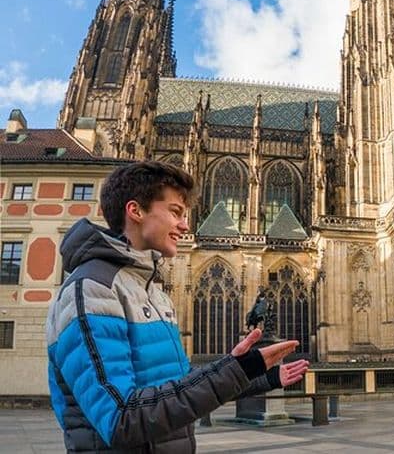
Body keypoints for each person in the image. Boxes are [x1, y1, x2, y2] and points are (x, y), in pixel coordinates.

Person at [45, 161, 309, 452]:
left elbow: (178, 386)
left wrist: (250, 374)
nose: (185, 224)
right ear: (136, 211)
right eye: (175, 212)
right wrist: (232, 372)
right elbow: (122, 419)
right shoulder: (92, 290)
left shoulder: (151, 292)